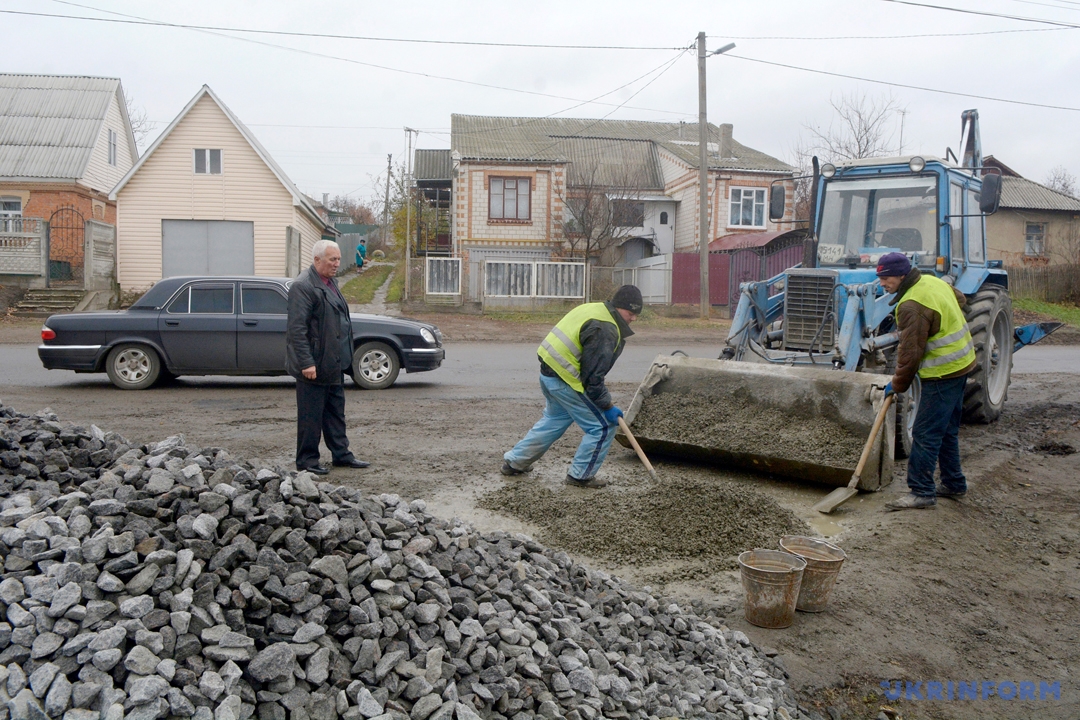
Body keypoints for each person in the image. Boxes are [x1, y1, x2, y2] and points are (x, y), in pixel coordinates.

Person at [501, 285, 643, 488]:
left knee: (554, 420)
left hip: (549, 374)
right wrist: (608, 407)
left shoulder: (594, 308)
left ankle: (515, 462)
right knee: (602, 427)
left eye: (637, 314)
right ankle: (581, 476)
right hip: (566, 380)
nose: (633, 319)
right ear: (619, 307)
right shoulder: (605, 328)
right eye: (631, 313)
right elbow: (592, 379)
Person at [876, 252, 975, 511]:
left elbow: (910, 356)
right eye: (879, 278)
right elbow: (962, 299)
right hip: (963, 364)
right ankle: (954, 484)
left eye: (885, 278)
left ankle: (921, 491)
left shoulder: (910, 305)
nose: (882, 284)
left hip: (942, 374)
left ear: (900, 275)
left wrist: (897, 385)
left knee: (924, 433)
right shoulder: (932, 281)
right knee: (947, 430)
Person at [286, 240, 370, 475]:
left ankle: (342, 455)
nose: (337, 264)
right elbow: (296, 330)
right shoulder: (303, 286)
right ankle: (307, 461)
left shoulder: (330, 282)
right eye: (332, 259)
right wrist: (306, 362)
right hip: (314, 364)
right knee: (310, 416)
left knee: (335, 413)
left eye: (338, 259)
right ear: (317, 260)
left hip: (333, 362)